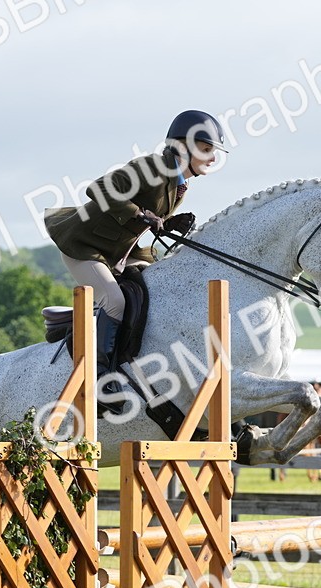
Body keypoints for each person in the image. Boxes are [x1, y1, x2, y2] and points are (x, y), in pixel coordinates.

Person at [43, 110, 227, 383]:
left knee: (160, 283)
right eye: (206, 149)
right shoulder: (152, 167)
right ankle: (100, 375)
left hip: (118, 252)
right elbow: (99, 188)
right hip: (85, 246)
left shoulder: (179, 184)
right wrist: (139, 213)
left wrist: (166, 222)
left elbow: (150, 215)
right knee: (115, 302)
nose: (213, 158)